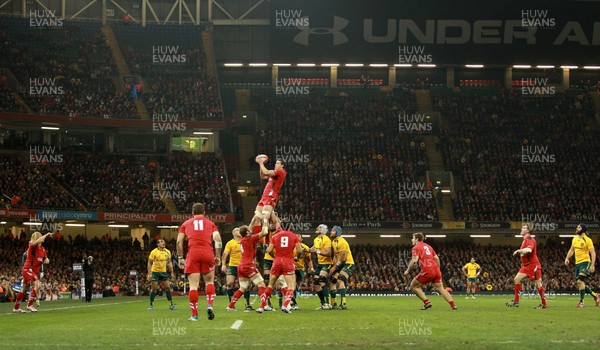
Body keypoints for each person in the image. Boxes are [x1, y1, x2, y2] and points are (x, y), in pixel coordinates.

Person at [177, 203, 222, 321]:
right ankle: (210, 305)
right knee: (209, 282)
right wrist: (217, 256)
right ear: (204, 212)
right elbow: (217, 239)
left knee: (193, 286)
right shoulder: (211, 223)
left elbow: (179, 242)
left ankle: (195, 315)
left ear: (192, 212)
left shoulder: (185, 224)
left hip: (193, 253)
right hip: (207, 252)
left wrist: (180, 257)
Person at [403, 232, 457, 310]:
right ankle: (453, 304)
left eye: (413, 238)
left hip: (427, 270)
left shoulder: (416, 247)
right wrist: (437, 269)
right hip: (436, 270)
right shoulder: (428, 246)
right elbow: (437, 258)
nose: (412, 240)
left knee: (413, 286)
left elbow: (414, 260)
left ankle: (427, 302)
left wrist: (408, 270)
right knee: (441, 288)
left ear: (417, 239)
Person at [226, 217, 269, 311]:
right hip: (248, 265)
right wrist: (265, 220)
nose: (251, 230)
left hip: (241, 266)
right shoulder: (250, 239)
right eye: (249, 230)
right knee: (261, 284)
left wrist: (254, 219)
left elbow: (247, 229)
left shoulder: (242, 239)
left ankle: (230, 306)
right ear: (248, 233)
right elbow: (264, 232)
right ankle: (264, 305)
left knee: (243, 287)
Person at [257, 228, 303, 313]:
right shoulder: (294, 236)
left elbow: (269, 250)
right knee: (291, 286)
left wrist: (275, 256)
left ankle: (262, 306)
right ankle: (285, 305)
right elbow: (299, 250)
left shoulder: (275, 236)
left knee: (270, 285)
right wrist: (297, 257)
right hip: (288, 261)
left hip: (277, 261)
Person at [506, 224, 547, 309]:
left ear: (528, 231)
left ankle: (544, 304)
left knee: (538, 284)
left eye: (524, 228)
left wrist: (518, 251)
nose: (521, 229)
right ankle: (516, 301)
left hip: (533, 265)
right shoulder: (525, 240)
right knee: (517, 279)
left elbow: (529, 250)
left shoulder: (529, 239)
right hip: (526, 266)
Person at [13, 231, 53, 313]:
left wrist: (46, 260)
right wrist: (47, 234)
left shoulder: (42, 249)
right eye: (40, 237)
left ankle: (16, 308)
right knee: (37, 284)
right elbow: (38, 241)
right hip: (28, 269)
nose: (42, 239)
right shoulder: (32, 246)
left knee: (24, 289)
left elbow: (46, 258)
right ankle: (30, 305)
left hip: (34, 271)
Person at [564, 223, 599, 308]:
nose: (577, 228)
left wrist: (592, 265)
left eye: (579, 227)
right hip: (577, 264)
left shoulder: (588, 240)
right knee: (580, 283)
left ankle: (581, 302)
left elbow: (593, 253)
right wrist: (567, 258)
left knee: (580, 281)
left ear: (583, 229)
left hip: (586, 262)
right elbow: (571, 250)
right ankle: (595, 295)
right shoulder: (575, 239)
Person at [221, 227, 252, 311]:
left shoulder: (245, 241)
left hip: (244, 265)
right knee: (230, 283)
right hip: (233, 265)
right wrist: (223, 264)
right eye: (238, 230)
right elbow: (225, 254)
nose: (240, 231)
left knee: (246, 285)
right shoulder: (230, 243)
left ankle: (247, 304)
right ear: (234, 233)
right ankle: (231, 304)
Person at [255, 158, 286, 233]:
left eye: (278, 163)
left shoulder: (281, 171)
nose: (275, 164)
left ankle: (265, 234)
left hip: (271, 196)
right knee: (256, 218)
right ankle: (258, 239)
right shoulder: (274, 175)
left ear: (282, 165)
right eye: (275, 163)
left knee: (265, 217)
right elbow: (263, 176)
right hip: (264, 197)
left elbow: (265, 172)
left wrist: (261, 163)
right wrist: (260, 166)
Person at [328, 226, 354, 310]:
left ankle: (343, 303)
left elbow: (343, 258)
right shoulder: (333, 242)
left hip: (348, 263)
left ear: (337, 232)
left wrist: (335, 267)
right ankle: (333, 303)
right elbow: (335, 256)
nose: (331, 232)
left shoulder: (342, 242)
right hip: (340, 264)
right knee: (332, 281)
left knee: (340, 279)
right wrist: (333, 266)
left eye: (333, 231)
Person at [147, 239, 176, 310]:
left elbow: (169, 263)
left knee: (168, 288)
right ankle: (151, 304)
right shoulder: (154, 252)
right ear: (158, 244)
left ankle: (171, 304)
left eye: (164, 242)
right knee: (153, 288)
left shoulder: (167, 252)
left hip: (163, 272)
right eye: (161, 242)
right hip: (155, 272)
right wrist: (150, 273)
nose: (163, 243)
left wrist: (172, 273)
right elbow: (149, 262)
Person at [309, 224, 333, 309]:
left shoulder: (326, 239)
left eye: (319, 227)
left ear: (323, 230)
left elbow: (328, 253)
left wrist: (317, 251)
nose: (317, 228)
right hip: (320, 264)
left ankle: (328, 303)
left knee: (321, 280)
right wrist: (305, 250)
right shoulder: (316, 239)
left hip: (327, 263)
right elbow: (312, 249)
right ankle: (323, 304)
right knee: (316, 283)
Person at [290, 233, 312, 310]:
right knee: (293, 285)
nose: (298, 238)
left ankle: (291, 300)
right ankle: (294, 302)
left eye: (299, 237)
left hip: (301, 268)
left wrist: (311, 268)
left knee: (297, 286)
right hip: (291, 267)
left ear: (302, 239)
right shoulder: (291, 246)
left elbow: (308, 260)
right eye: (296, 237)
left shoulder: (305, 248)